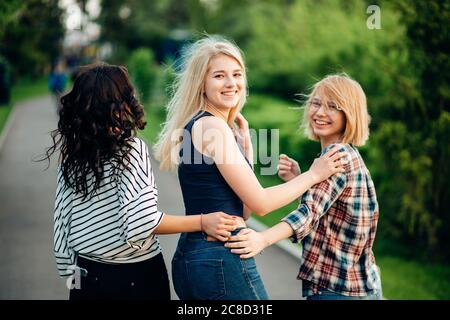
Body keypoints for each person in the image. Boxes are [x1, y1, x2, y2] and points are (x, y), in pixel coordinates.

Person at [153, 36, 347, 300]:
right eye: (219, 76)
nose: (231, 83)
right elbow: (261, 204)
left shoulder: (202, 125)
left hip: (198, 257)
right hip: (221, 259)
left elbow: (242, 212)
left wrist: (246, 151)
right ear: (202, 83)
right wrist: (314, 175)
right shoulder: (212, 127)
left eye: (237, 74)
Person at [44, 62, 238, 300]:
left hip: (85, 277)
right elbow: (141, 223)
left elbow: (61, 226)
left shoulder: (72, 154)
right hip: (134, 279)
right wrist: (203, 221)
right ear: (123, 102)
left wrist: (74, 277)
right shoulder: (131, 149)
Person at [225, 74, 383, 300]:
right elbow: (325, 212)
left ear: (349, 113)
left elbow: (307, 214)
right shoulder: (342, 155)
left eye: (332, 106)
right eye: (316, 103)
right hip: (356, 284)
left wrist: (262, 239)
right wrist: (299, 180)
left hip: (338, 290)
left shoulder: (337, 157)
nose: (319, 112)